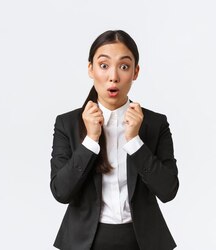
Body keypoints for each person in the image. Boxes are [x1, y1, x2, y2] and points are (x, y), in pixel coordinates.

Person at [49, 30, 179, 250]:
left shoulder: (155, 124)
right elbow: (61, 192)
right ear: (90, 69)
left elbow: (168, 191)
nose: (113, 76)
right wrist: (90, 139)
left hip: (142, 242)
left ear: (136, 72)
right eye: (104, 65)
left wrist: (134, 141)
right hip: (84, 242)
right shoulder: (68, 123)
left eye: (124, 66)